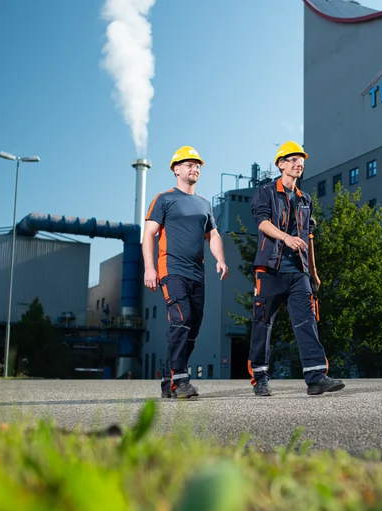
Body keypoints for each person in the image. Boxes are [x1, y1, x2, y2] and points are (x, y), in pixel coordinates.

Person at [247, 141, 345, 397]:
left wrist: (313, 271)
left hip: (298, 271)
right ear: (280, 164)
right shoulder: (265, 192)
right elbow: (263, 223)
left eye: (301, 160)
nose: (298, 163)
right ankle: (260, 378)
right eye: (292, 159)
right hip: (269, 269)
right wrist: (286, 238)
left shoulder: (306, 200)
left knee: (307, 321)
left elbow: (308, 237)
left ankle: (316, 377)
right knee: (263, 324)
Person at [143, 145, 228, 399]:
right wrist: (149, 268)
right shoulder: (164, 199)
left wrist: (220, 259)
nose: (195, 168)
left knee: (192, 328)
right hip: (171, 269)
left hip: (196, 274)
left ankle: (170, 377)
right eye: (190, 164)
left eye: (198, 165)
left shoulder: (204, 204)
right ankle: (181, 380)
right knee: (181, 318)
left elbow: (213, 235)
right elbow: (148, 234)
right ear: (176, 169)